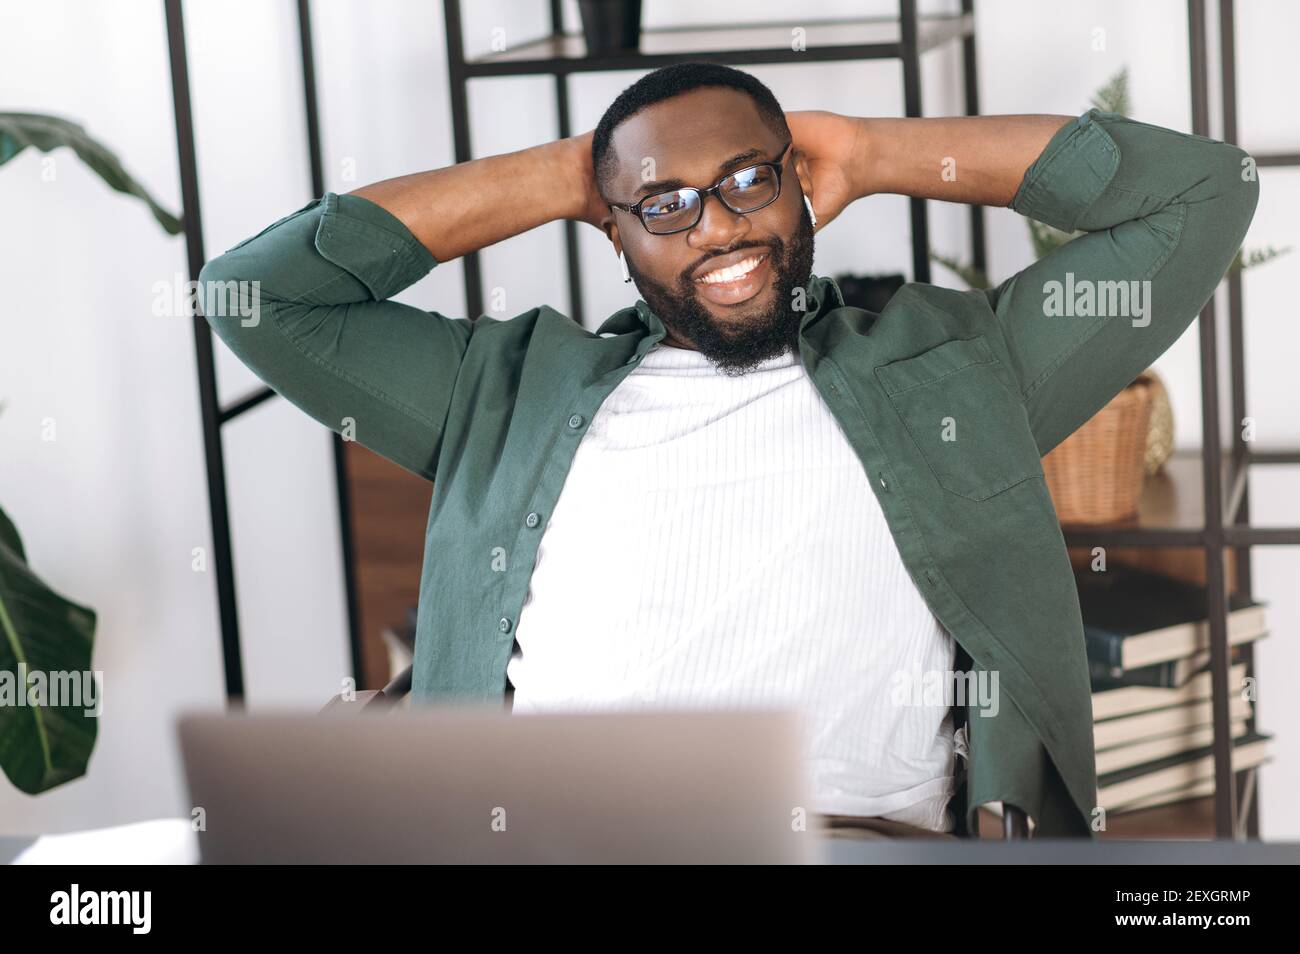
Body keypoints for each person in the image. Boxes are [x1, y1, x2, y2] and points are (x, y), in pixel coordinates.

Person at [198, 62, 1258, 839]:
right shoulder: (508, 391)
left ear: (799, 182)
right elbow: (255, 295)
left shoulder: (957, 372)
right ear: (610, 233)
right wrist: (569, 176)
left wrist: (877, 152)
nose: (717, 228)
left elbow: (1202, 194)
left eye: (749, 180)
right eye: (667, 206)